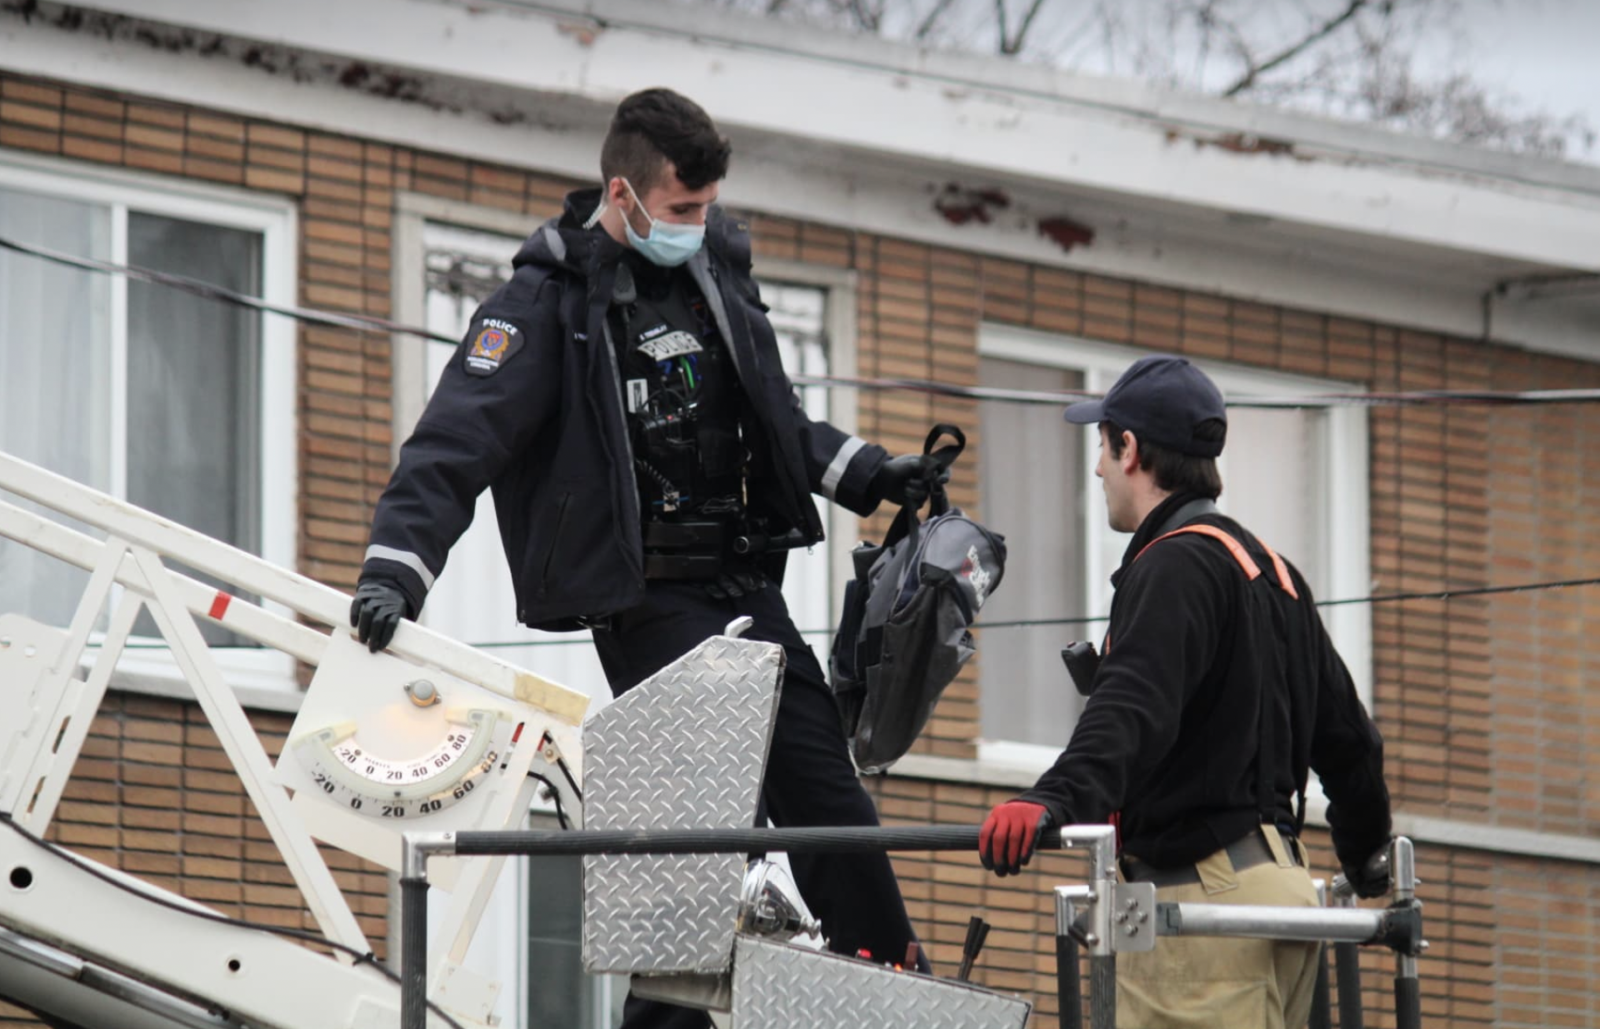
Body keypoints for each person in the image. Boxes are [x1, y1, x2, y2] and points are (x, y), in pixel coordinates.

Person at [350, 88, 941, 1028]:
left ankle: (895, 991)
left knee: (825, 808)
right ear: (621, 196)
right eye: (681, 211)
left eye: (707, 209)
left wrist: (870, 471)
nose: (699, 227)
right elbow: (454, 442)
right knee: (717, 844)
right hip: (648, 600)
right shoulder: (543, 302)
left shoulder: (717, 279)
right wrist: (395, 570)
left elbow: (776, 419)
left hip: (744, 583)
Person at [976, 355, 1393, 1029]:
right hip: (1284, 897)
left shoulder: (1173, 564)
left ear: (1131, 449)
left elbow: (1132, 709)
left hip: (1203, 910)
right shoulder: (1272, 572)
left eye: (1103, 448)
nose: (1097, 469)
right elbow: (1351, 744)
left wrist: (1049, 797)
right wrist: (1367, 856)